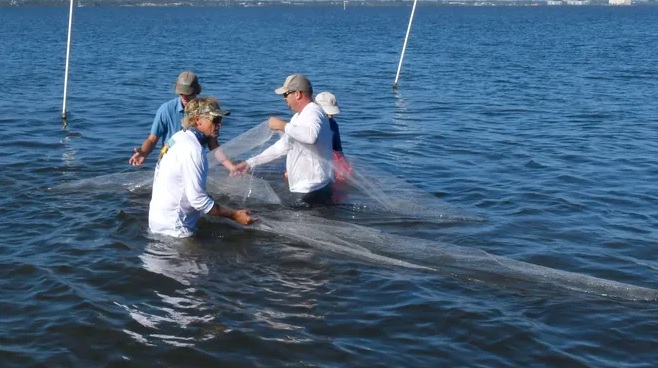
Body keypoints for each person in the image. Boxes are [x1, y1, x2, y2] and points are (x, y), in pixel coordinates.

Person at [148, 96, 256, 238]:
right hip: (175, 230)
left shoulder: (178, 137)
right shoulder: (192, 149)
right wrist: (234, 215)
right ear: (197, 119)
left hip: (159, 221)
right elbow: (198, 200)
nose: (220, 124)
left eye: (221, 120)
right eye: (215, 120)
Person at [234, 74, 334, 206]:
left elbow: (311, 136)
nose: (284, 98)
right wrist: (250, 163)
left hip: (312, 189)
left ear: (297, 94)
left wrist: (282, 125)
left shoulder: (313, 112)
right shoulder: (298, 117)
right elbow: (281, 147)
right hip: (307, 188)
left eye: (286, 94)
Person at [129, 71, 236, 171]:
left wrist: (231, 167)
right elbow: (152, 139)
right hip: (170, 164)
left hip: (193, 163)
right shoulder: (166, 110)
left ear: (196, 91)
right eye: (181, 93)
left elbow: (213, 145)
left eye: (188, 93)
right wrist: (143, 153)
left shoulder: (206, 113)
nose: (184, 97)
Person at [314, 92, 353, 202]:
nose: (330, 116)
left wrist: (343, 167)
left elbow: (338, 148)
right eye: (327, 113)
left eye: (332, 113)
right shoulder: (310, 124)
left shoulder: (333, 124)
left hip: (330, 162)